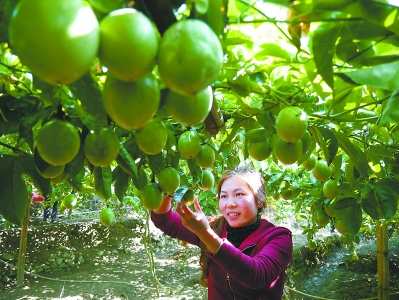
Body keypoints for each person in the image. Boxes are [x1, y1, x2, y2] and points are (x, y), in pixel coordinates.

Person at [151, 166, 293, 300]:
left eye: (239, 194)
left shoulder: (279, 238)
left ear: (260, 200)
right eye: (224, 196)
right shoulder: (215, 228)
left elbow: (256, 275)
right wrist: (168, 188)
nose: (230, 203)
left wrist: (205, 234)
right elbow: (164, 220)